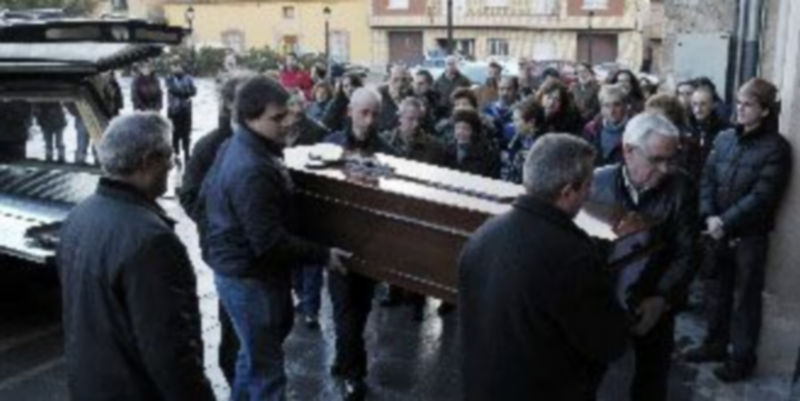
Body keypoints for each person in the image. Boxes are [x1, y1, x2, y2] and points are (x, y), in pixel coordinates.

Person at [201, 76, 349, 401]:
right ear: (250, 117)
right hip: (250, 278)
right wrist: (323, 254)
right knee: (267, 374)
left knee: (251, 359)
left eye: (287, 114)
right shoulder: (251, 166)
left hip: (237, 269)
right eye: (277, 118)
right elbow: (268, 242)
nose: (287, 123)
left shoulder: (240, 144)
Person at [56, 113, 215, 401]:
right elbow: (169, 350)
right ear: (148, 161)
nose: (172, 163)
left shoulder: (79, 214)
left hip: (90, 383)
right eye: (168, 155)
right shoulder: (152, 240)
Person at [460, 133, 628, 401]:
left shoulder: (484, 233)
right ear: (567, 192)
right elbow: (608, 343)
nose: (589, 194)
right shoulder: (573, 256)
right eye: (587, 185)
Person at [686, 78, 792, 382]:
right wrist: (708, 216)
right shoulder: (724, 139)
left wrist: (726, 221)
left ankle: (741, 358)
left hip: (749, 236)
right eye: (739, 102)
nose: (740, 109)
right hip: (716, 229)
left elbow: (763, 194)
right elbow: (707, 178)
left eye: (748, 104)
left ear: (764, 111)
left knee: (746, 299)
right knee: (715, 292)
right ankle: (714, 344)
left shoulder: (777, 147)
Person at [588, 112, 698, 401]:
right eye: (657, 159)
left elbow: (687, 252)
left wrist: (662, 298)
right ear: (629, 151)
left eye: (672, 159)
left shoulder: (681, 187)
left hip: (653, 299)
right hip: (603, 300)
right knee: (587, 374)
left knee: (652, 379)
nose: (666, 168)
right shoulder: (597, 182)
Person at [178, 71, 255, 385]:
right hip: (226, 250)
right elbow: (188, 194)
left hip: (257, 251)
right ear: (227, 104)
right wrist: (219, 223)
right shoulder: (210, 145)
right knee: (233, 325)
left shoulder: (260, 140)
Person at [324, 87, 397, 401]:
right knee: (344, 310)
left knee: (361, 308)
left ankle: (343, 359)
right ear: (350, 111)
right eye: (363, 112)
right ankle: (356, 373)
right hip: (337, 240)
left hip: (371, 243)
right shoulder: (330, 145)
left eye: (375, 114)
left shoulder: (387, 150)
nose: (369, 120)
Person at [682, 85, 731, 180]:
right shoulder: (685, 129)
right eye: (695, 104)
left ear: (712, 105)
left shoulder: (725, 131)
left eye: (703, 104)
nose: (698, 109)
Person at [443, 108, 499, 178]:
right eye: (457, 128)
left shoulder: (486, 153)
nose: (461, 132)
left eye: (465, 128)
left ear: (473, 131)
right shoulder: (447, 150)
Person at [584, 83, 631, 166]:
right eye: (606, 105)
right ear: (601, 108)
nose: (611, 111)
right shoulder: (591, 129)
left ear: (625, 106)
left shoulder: (635, 130)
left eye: (616, 105)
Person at [501, 97, 545, 183]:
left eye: (517, 120)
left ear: (531, 122)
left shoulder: (542, 146)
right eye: (513, 120)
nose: (513, 125)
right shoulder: (516, 139)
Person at [165, 62, 197, 166]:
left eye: (178, 66)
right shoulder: (169, 78)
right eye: (174, 66)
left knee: (186, 133)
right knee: (175, 134)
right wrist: (185, 93)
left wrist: (186, 93)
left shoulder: (188, 78)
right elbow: (174, 90)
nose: (176, 68)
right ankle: (176, 155)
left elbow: (194, 91)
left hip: (186, 110)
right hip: (174, 110)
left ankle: (187, 154)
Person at [482, 75, 519, 147]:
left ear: (516, 90)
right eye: (501, 89)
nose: (504, 93)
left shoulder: (521, 110)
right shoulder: (488, 110)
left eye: (509, 89)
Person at [378, 64, 412, 132]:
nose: (400, 84)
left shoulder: (413, 98)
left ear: (409, 81)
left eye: (404, 80)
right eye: (395, 80)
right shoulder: (378, 98)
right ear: (388, 80)